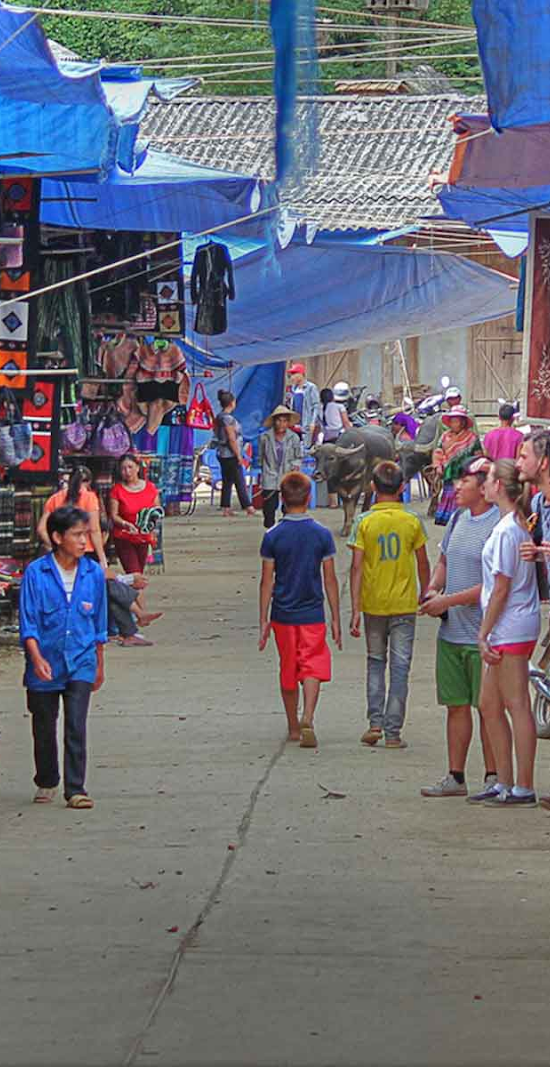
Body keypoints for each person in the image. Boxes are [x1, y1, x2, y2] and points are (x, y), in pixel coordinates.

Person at [419, 457, 500, 798]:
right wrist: (433, 589)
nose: (456, 487)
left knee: (489, 709)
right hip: (451, 632)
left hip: (485, 635)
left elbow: (495, 586)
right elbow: (444, 561)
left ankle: (494, 776)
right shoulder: (456, 520)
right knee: (456, 705)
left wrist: (447, 601)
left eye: (463, 482)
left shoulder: (501, 525)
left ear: (484, 487)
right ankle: (456, 776)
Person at [19, 506, 107, 809]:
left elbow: (99, 623)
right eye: (77, 535)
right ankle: (46, 779)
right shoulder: (36, 573)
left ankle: (76, 788)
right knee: (44, 725)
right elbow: (28, 621)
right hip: (44, 662)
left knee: (76, 724)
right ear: (58, 537)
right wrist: (35, 657)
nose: (84, 541)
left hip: (81, 660)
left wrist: (99, 664)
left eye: (86, 534)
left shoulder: (93, 573)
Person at [350, 460, 430, 749]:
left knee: (375, 663)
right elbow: (423, 562)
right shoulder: (411, 521)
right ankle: (393, 732)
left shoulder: (363, 522)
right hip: (405, 605)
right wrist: (426, 593)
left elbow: (356, 568)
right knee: (400, 667)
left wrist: (355, 608)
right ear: (402, 488)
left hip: (373, 605)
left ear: (372, 487)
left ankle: (374, 722)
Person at [258, 471, 341, 748]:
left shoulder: (273, 536)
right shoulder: (321, 535)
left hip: (283, 614)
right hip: (312, 613)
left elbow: (266, 581)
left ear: (282, 499)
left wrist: (263, 621)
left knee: (288, 668)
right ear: (309, 498)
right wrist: (336, 618)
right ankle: (308, 714)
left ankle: (293, 726)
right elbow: (329, 579)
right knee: (312, 664)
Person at [475, 459, 540, 806]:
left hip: (510, 624)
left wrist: (483, 633)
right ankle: (504, 779)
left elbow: (501, 586)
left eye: (486, 478)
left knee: (515, 703)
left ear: (499, 486)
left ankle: (523, 785)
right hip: (509, 624)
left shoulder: (507, 531)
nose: (483, 484)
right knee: (489, 703)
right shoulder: (512, 525)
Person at [38, 466, 108, 570]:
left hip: (61, 552)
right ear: (88, 482)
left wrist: (54, 545)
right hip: (85, 551)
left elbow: (41, 529)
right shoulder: (90, 498)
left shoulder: (55, 498)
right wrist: (102, 558)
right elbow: (94, 530)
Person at [109, 454, 160, 573]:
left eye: (130, 467)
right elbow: (114, 515)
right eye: (123, 468)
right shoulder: (117, 490)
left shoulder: (150, 488)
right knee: (134, 572)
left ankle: (134, 591)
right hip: (124, 536)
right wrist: (125, 524)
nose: (127, 471)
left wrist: (150, 525)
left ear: (137, 468)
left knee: (139, 573)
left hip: (143, 537)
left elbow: (157, 511)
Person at [432, 406, 481, 525]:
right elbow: (438, 452)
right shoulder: (444, 436)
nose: (454, 423)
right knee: (449, 494)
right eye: (452, 421)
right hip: (448, 474)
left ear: (463, 422)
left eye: (457, 420)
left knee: (463, 498)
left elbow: (478, 456)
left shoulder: (472, 438)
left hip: (465, 474)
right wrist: (438, 465)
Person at [259, 405, 302, 529]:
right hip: (270, 474)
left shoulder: (293, 437)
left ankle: (285, 529)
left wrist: (295, 467)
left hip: (287, 474)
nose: (282, 424)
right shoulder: (265, 437)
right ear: (274, 421)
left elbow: (298, 456)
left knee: (288, 506)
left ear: (288, 422)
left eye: (285, 421)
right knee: (269, 507)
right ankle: (270, 530)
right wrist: (263, 473)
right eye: (279, 420)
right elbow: (261, 457)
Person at [214, 390, 256, 518]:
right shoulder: (228, 419)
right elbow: (231, 438)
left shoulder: (219, 417)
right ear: (232, 403)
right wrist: (238, 455)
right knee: (239, 479)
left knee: (227, 480)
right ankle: (248, 506)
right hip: (230, 453)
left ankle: (226, 507)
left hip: (222, 453)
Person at [288, 362, 321, 450]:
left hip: (307, 423)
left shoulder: (311, 387)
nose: (292, 377)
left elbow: (316, 405)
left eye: (294, 374)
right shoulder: (294, 389)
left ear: (301, 374)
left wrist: (313, 422)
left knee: (307, 447)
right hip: (296, 423)